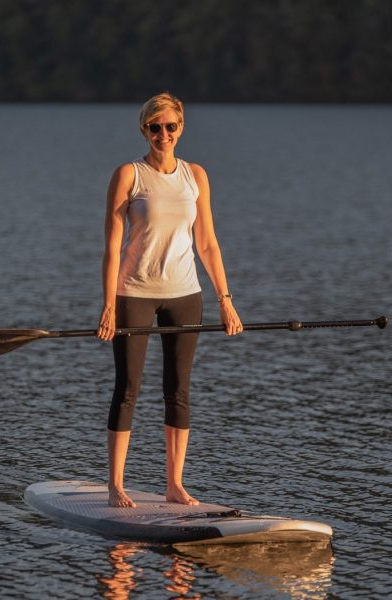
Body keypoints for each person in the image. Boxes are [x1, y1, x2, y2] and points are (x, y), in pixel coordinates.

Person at [97, 92, 243, 508]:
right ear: (144, 130)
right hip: (134, 294)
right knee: (128, 388)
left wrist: (225, 300)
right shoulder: (129, 175)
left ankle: (175, 485)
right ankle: (116, 485)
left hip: (185, 295)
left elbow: (208, 244)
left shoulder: (195, 175)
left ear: (181, 128)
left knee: (178, 390)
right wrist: (108, 306)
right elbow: (111, 248)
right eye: (154, 127)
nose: (163, 134)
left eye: (170, 127)